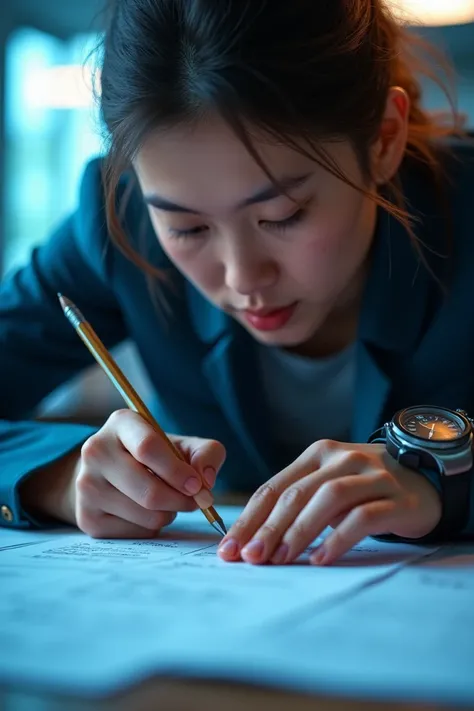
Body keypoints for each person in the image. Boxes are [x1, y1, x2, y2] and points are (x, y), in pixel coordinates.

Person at [1, 0, 473, 568]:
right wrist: (57, 477)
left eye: (283, 214)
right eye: (188, 227)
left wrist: (446, 484)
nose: (243, 278)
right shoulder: (118, 226)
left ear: (383, 139)